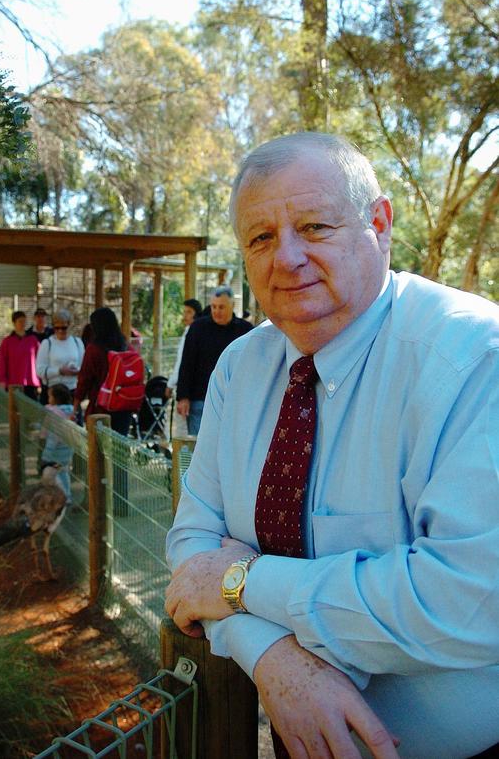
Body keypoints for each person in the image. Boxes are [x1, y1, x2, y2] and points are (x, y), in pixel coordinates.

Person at [164, 132, 499, 759]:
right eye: (260, 238)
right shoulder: (242, 366)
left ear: (378, 223)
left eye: (315, 226)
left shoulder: (476, 361)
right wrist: (271, 652)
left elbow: (471, 602)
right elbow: (192, 547)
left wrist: (242, 582)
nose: (286, 257)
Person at [176, 286, 253, 435]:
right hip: (200, 400)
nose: (217, 311)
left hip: (235, 402)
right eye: (214, 307)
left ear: (232, 306)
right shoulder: (197, 328)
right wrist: (183, 397)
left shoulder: (245, 331)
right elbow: (187, 364)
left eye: (222, 307)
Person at [72, 306, 134, 436]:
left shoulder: (94, 349)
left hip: (101, 407)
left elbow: (84, 379)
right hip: (124, 406)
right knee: (119, 446)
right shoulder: (126, 346)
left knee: (98, 449)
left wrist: (76, 404)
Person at [35, 308, 84, 397]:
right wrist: (59, 371)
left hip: (72, 391)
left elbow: (84, 366)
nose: (60, 331)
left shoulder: (77, 342)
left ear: (69, 325)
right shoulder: (47, 343)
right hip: (52, 393)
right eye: (57, 328)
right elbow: (39, 370)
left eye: (63, 328)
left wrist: (76, 371)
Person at [39, 383, 74, 504]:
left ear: (55, 398)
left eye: (50, 396)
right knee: (64, 471)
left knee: (52, 474)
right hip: (68, 448)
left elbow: (53, 437)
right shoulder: (71, 411)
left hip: (56, 451)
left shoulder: (54, 414)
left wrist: (46, 456)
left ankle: (61, 496)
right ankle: (67, 496)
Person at [0, 310, 40, 399]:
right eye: (20, 321)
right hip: (13, 383)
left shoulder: (33, 340)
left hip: (31, 383)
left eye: (24, 321)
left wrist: (40, 381)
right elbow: (1, 362)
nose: (23, 324)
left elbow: (40, 360)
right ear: (14, 323)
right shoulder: (7, 342)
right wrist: (2, 380)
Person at [165, 298, 203, 400]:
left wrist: (170, 384)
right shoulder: (189, 331)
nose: (185, 315)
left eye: (189, 312)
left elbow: (183, 361)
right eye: (184, 312)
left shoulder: (193, 333)